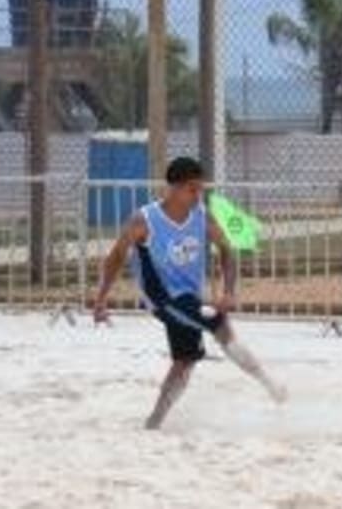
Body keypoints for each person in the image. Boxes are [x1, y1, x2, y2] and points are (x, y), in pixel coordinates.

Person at [93, 156, 286, 429]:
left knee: (185, 361)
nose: (198, 195)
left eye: (201, 189)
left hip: (189, 299)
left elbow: (228, 253)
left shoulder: (202, 216)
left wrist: (229, 291)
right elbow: (114, 258)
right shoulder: (144, 220)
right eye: (192, 189)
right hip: (163, 300)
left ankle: (154, 422)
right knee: (218, 323)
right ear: (173, 188)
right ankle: (272, 386)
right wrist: (101, 299)